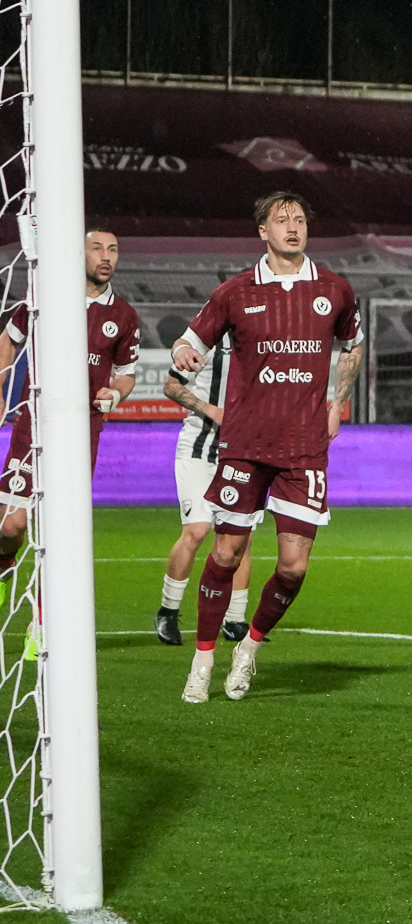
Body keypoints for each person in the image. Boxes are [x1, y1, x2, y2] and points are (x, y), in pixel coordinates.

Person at [173, 193, 365, 704]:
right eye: (281, 220)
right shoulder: (235, 292)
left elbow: (353, 344)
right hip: (245, 444)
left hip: (304, 448)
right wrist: (184, 351)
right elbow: (187, 341)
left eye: (299, 219)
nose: (292, 227)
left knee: (293, 567)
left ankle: (250, 647)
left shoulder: (334, 289)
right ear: (263, 231)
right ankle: (202, 660)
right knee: (226, 552)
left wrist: (337, 402)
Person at [0, 227, 141, 658]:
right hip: (33, 426)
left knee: (60, 533)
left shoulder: (124, 315)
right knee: (11, 527)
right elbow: (8, 340)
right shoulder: (45, 297)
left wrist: (115, 394)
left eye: (113, 249)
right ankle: (4, 566)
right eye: (97, 248)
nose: (106, 256)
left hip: (83, 434)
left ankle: (42, 625)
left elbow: (127, 374)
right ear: (79, 254)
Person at [154, 334, 247, 645]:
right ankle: (168, 611)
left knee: (240, 537)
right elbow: (171, 386)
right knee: (196, 531)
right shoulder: (209, 340)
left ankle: (235, 619)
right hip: (199, 450)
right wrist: (212, 410)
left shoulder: (266, 341)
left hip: (242, 454)